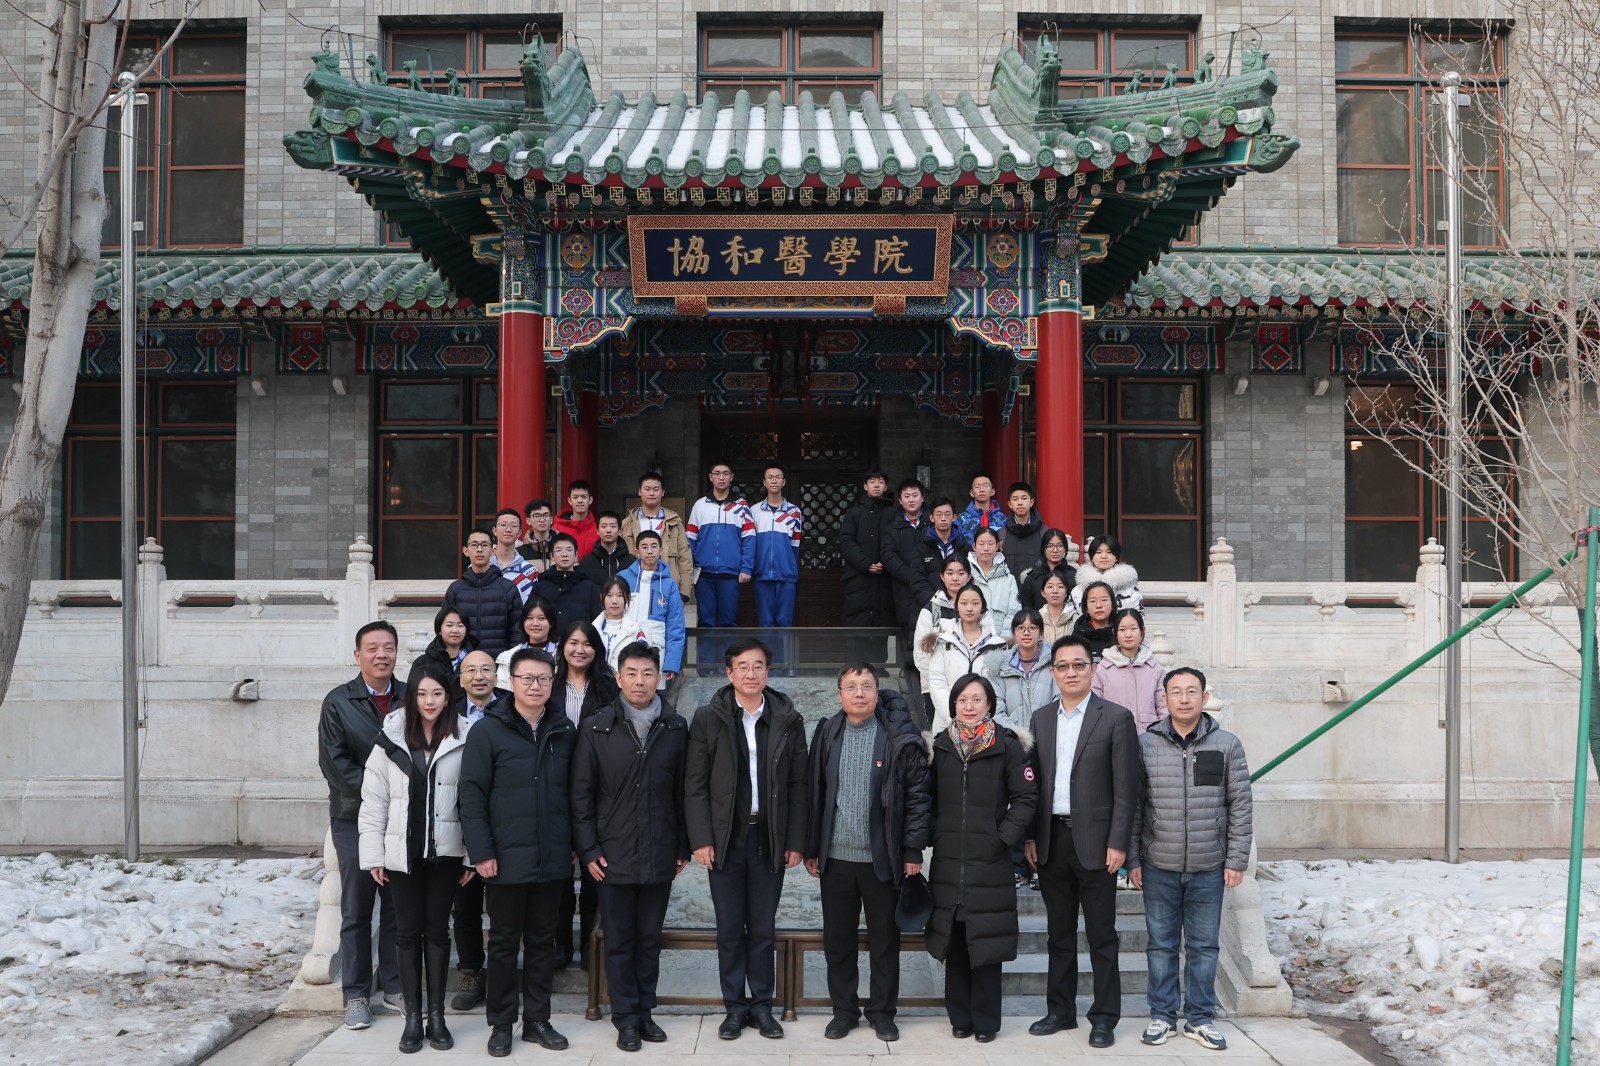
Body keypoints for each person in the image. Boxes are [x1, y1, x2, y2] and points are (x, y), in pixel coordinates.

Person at [684, 637, 808, 1040]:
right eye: (743, 666)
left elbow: (799, 784)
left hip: (769, 837)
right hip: (726, 839)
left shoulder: (788, 718)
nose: (751, 673)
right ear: (729, 672)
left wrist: (795, 840)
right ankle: (734, 1009)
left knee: (763, 929)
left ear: (768, 671)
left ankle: (762, 1008)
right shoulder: (708, 717)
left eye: (758, 666)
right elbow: (695, 784)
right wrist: (701, 838)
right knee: (729, 930)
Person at [570, 642, 691, 1052]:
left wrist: (682, 845)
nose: (640, 681)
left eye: (648, 673)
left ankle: (645, 1012)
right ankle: (624, 1018)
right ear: (618, 678)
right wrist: (589, 850)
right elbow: (581, 795)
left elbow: (684, 792)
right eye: (632, 673)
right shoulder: (596, 727)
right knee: (619, 940)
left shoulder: (675, 727)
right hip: (612, 854)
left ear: (660, 678)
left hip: (659, 850)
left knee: (648, 939)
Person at [1024, 635, 1141, 1049]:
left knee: (1102, 936)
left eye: (1078, 665)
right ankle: (1060, 1010)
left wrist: (1119, 842)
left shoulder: (1116, 718)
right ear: (1052, 673)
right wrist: (1031, 836)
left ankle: (1104, 1017)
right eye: (1062, 666)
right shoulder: (1040, 719)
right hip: (1051, 840)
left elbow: (1126, 787)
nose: (1071, 672)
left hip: (1097, 843)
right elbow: (1033, 785)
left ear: (1092, 669)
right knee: (1059, 933)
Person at [805, 663, 932, 1042]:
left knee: (884, 942)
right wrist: (812, 847)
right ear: (839, 694)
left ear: (878, 692)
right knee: (838, 942)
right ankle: (844, 1011)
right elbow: (815, 793)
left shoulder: (896, 735)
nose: (859, 693)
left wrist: (912, 849)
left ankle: (882, 1013)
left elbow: (917, 797)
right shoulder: (828, 732)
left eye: (866, 686)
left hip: (883, 858)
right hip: (836, 860)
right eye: (851, 687)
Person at [459, 647, 576, 1058]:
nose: (535, 685)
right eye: (527, 678)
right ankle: (502, 1022)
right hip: (504, 858)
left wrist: (573, 845)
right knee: (505, 944)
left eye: (543, 678)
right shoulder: (488, 731)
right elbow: (471, 796)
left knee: (544, 942)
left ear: (552, 683)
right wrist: (481, 851)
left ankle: (537, 1020)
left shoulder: (563, 729)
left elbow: (576, 793)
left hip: (552, 857)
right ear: (511, 681)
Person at [1129, 668, 1253, 1052]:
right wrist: (1133, 858)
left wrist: (1236, 859)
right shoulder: (1145, 745)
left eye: (1191, 692)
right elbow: (1134, 806)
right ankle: (1162, 1016)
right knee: (1161, 945)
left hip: (1208, 865)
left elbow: (1240, 805)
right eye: (1176, 692)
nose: (1184, 699)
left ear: (1204, 697)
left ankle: (1199, 1018)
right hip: (1158, 863)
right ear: (1164, 698)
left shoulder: (1227, 744)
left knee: (1204, 947)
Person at [358, 663, 474, 1054]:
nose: (429, 701)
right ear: (411, 697)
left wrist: (471, 855)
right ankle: (412, 1017)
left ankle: (437, 1017)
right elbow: (373, 800)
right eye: (422, 693)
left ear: (448, 697)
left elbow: (473, 801)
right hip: (401, 855)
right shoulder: (390, 737)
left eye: (437, 693)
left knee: (438, 932)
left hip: (445, 854)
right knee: (407, 934)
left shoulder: (464, 736)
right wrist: (374, 854)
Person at [925, 674, 1037, 1043]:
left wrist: (1001, 839)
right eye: (962, 700)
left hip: (990, 861)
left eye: (976, 699)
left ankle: (986, 1022)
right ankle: (960, 1017)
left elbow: (1026, 798)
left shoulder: (1007, 746)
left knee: (986, 944)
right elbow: (926, 799)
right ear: (953, 705)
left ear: (989, 704)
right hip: (948, 862)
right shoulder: (940, 746)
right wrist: (934, 835)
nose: (969, 706)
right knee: (954, 941)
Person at [318, 620, 405, 1031]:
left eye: (388, 647)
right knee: (356, 908)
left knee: (398, 906)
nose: (381, 655)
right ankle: (355, 993)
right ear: (358, 655)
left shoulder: (411, 696)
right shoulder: (338, 702)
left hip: (401, 819)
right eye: (372, 648)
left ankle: (394, 985)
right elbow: (335, 764)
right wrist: (381, 795)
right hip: (354, 816)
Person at [549, 620, 619, 968]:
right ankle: (560, 948)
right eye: (573, 642)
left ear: (597, 649)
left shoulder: (608, 688)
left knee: (595, 874)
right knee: (559, 878)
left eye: (587, 643)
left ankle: (592, 950)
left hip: (598, 788)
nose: (580, 649)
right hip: (556, 787)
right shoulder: (549, 685)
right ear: (563, 646)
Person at [451, 650, 502, 1010]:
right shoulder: (447, 712)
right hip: (457, 821)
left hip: (503, 823)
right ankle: (470, 972)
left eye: (486, 669)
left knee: (504, 911)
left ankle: (500, 975)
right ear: (460, 678)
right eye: (471, 670)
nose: (479, 676)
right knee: (465, 907)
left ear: (497, 675)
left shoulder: (513, 708)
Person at [924, 584, 1006, 732]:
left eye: (975, 603)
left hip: (985, 725)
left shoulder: (997, 644)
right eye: (964, 603)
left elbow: (998, 687)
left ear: (982, 607)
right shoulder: (943, 641)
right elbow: (937, 683)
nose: (969, 608)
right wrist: (953, 717)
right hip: (948, 724)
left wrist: (983, 717)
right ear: (956, 607)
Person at [686, 460, 755, 627]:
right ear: (710, 477)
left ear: (731, 477)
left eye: (725, 474)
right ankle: (706, 647)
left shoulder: (741, 506)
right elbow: (690, 539)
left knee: (728, 622)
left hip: (731, 573)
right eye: (717, 474)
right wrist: (689, 568)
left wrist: (746, 568)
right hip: (703, 573)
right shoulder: (700, 505)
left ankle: (728, 647)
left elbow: (749, 538)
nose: (721, 477)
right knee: (705, 622)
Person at [618, 530, 687, 683]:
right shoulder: (623, 578)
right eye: (644, 547)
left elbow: (675, 626)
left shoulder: (669, 584)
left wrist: (672, 662)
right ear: (637, 552)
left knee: (651, 688)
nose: (649, 551)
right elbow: (612, 616)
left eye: (654, 546)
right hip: (624, 644)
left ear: (661, 550)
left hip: (656, 647)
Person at [444, 528, 521, 659]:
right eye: (474, 545)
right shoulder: (456, 589)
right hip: (463, 662)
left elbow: (517, 631)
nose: (479, 549)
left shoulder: (507, 588)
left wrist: (510, 661)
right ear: (465, 551)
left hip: (499, 662)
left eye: (484, 545)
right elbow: (445, 628)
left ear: (493, 551)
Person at [911, 556, 970, 728]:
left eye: (961, 573)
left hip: (970, 689)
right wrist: (941, 682)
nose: (955, 578)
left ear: (969, 576)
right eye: (950, 573)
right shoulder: (930, 611)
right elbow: (920, 655)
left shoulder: (979, 609)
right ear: (942, 577)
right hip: (935, 688)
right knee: (941, 736)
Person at [620, 472, 694, 602]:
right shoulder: (627, 523)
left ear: (662, 492)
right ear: (639, 491)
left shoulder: (674, 522)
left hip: (667, 583)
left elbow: (685, 557)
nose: (651, 493)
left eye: (656, 489)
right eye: (647, 489)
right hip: (635, 584)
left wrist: (684, 593)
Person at [1093, 609, 1168, 734]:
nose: (1128, 634)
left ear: (1142, 631)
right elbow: (1095, 707)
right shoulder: (1103, 669)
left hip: (1148, 735)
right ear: (1115, 633)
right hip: (1113, 735)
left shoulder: (1155, 669)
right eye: (1122, 630)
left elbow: (1164, 707)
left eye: (1133, 629)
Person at [836, 468, 896, 626]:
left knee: (885, 629)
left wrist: (886, 563)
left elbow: (897, 542)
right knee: (859, 628)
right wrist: (866, 564)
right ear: (865, 486)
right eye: (872, 481)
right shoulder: (854, 513)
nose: (876, 485)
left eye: (880, 482)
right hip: (859, 578)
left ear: (885, 487)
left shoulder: (894, 513)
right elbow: (846, 541)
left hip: (886, 578)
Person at [879, 479, 933, 650]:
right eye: (907, 496)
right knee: (908, 634)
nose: (911, 500)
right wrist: (913, 577)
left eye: (915, 495)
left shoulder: (933, 524)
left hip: (931, 586)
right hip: (904, 588)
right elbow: (889, 557)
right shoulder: (892, 528)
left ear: (922, 498)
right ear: (900, 500)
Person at [750, 464, 802, 628]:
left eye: (778, 477)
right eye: (770, 477)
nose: (774, 481)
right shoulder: (754, 511)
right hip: (761, 573)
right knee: (765, 622)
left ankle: (784, 648)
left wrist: (788, 565)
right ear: (764, 482)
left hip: (786, 574)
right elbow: (750, 543)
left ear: (783, 482)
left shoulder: (794, 512)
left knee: (784, 622)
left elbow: (795, 545)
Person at [993, 609, 1054, 733]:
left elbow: (1059, 701)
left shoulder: (1054, 663)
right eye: (1020, 628)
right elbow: (996, 708)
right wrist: (1017, 735)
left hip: (1048, 734)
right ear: (1013, 632)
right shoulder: (999, 666)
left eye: (1032, 628)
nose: (1026, 633)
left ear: (1041, 632)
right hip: (1011, 737)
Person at [531, 533, 602, 634]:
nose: (564, 554)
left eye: (569, 550)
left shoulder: (589, 587)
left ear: (576, 554)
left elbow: (598, 621)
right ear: (552, 556)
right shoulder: (541, 587)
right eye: (559, 550)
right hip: (548, 641)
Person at [595, 577, 660, 672]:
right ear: (602, 597)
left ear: (628, 598)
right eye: (609, 595)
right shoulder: (592, 630)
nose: (614, 601)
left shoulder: (637, 632)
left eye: (620, 595)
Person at [496, 597, 559, 690]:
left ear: (551, 623)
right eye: (530, 618)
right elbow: (502, 693)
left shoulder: (563, 655)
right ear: (523, 622)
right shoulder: (507, 657)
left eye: (541, 618)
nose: (535, 623)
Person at [968, 528, 1020, 638]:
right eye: (981, 544)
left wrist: (1004, 638)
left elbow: (1014, 611)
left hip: (1002, 640)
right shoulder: (966, 576)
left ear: (997, 546)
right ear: (974, 546)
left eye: (990, 543)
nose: (986, 548)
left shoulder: (1008, 579)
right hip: (971, 639)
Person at [1073, 534, 1143, 614]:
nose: (1104, 556)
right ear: (1092, 558)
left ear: (1116, 558)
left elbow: (1138, 618)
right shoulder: (1078, 591)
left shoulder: (1130, 590)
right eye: (1098, 552)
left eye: (1109, 552)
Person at [408, 605, 475, 683]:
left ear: (466, 630)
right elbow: (413, 689)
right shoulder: (422, 663)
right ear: (439, 629)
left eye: (460, 626)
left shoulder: (476, 660)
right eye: (449, 625)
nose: (455, 630)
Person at [1019, 529, 1077, 611]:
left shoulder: (1074, 576)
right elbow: (1026, 609)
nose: (1055, 550)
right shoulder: (1032, 578)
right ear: (1043, 549)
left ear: (1065, 549)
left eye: (1060, 546)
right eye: (1050, 546)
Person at [490, 508, 540, 602]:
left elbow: (531, 606)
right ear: (494, 530)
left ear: (519, 533)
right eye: (503, 525)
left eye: (513, 526)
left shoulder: (529, 571)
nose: (508, 529)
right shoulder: (482, 566)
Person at [1001, 482, 1048, 579]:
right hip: (1009, 587)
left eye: (1024, 498)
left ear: (1031, 502)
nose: (1020, 503)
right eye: (1015, 499)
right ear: (1009, 504)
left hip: (1037, 586)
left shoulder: (1043, 532)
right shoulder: (1002, 534)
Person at [580, 510, 636, 587]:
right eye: (604, 526)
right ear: (597, 531)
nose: (608, 530)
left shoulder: (632, 562)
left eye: (613, 526)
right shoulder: (586, 561)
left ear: (619, 531)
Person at [1072, 581, 1119, 661]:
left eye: (1104, 600)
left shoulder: (1121, 632)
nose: (1099, 605)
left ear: (1112, 605)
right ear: (1086, 607)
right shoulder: (1078, 635)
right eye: (1093, 601)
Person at [954, 472, 1004, 543]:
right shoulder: (961, 520)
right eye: (977, 487)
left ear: (992, 491)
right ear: (972, 493)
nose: (981, 490)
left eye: (986, 486)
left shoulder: (1002, 519)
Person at [553, 479, 600, 557]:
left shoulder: (598, 527)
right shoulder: (556, 528)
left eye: (584, 497)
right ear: (569, 500)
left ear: (590, 500)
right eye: (575, 497)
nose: (580, 501)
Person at [923, 497, 972, 570]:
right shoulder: (923, 547)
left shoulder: (964, 547)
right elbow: (917, 574)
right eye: (939, 514)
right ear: (931, 518)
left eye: (947, 514)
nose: (943, 519)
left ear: (954, 517)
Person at [516, 499, 556, 572]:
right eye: (537, 516)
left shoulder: (563, 549)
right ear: (528, 521)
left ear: (551, 519)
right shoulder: (519, 553)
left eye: (546, 515)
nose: (542, 520)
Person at [1039, 572, 1075, 646]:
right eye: (1050, 587)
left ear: (1066, 593)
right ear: (1043, 593)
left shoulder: (1076, 619)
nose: (1055, 591)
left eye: (1060, 587)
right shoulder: (1036, 619)